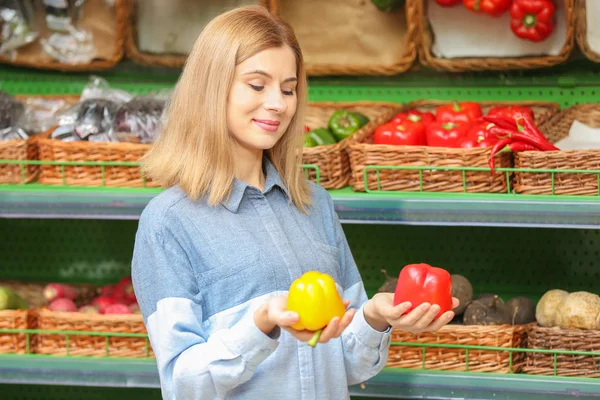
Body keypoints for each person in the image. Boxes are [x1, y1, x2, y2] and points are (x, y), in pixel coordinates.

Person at [131, 5, 458, 400]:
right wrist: (262, 324)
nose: (279, 104)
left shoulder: (314, 204)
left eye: (288, 89)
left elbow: (350, 366)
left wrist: (373, 318)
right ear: (211, 88)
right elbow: (182, 383)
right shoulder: (169, 222)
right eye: (257, 85)